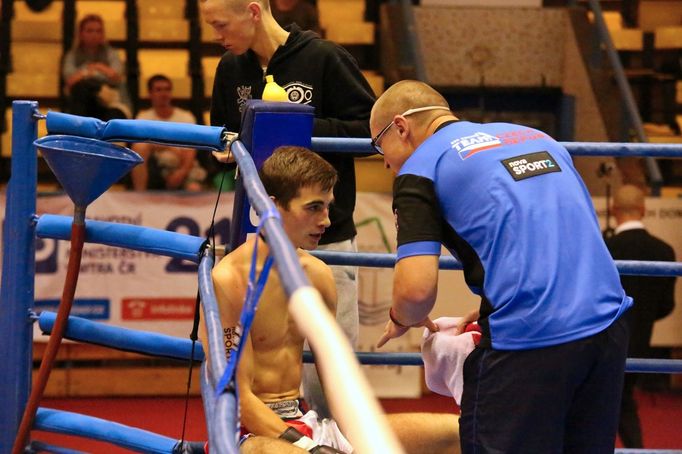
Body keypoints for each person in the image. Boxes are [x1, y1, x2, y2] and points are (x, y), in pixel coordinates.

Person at [372, 80, 633, 454]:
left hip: (531, 341)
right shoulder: (535, 137)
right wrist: (495, 299)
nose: (384, 161)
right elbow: (570, 232)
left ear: (401, 127)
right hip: (606, 326)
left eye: (379, 145)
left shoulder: (420, 168)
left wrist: (401, 318)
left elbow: (415, 293)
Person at [200, 146, 459, 453]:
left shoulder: (318, 275)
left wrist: (361, 433)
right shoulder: (230, 280)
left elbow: (334, 376)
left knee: (456, 431)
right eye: (313, 208)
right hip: (252, 435)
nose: (325, 220)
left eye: (327, 207)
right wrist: (307, 446)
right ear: (272, 208)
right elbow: (239, 398)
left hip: (306, 423)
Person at [200, 0, 376, 418]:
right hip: (256, 243)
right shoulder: (231, 68)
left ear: (253, 12)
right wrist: (228, 147)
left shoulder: (325, 58)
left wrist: (293, 126)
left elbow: (371, 130)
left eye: (221, 25)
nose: (216, 36)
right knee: (256, 365)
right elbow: (220, 136)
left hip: (326, 238)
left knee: (330, 378)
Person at [606, 184, 677, 449]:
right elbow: (666, 306)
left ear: (613, 210)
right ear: (644, 209)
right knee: (623, 399)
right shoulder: (664, 251)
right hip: (641, 341)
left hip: (602, 339)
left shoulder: (605, 248)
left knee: (599, 402)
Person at [131, 75, 207, 191]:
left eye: (167, 89)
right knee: (139, 146)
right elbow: (140, 147)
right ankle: (140, 196)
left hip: (183, 166)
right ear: (150, 93)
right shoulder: (143, 118)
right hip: (156, 168)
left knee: (194, 189)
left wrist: (181, 173)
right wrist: (172, 148)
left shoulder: (186, 117)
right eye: (159, 90)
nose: (164, 94)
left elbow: (190, 151)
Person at [62, 14, 130, 120]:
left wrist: (95, 67)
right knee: (81, 90)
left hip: (113, 103)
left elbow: (116, 76)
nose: (94, 35)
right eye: (89, 31)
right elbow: (70, 81)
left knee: (113, 118)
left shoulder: (111, 53)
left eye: (98, 31)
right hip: (85, 104)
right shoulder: (72, 55)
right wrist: (93, 72)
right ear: (80, 33)